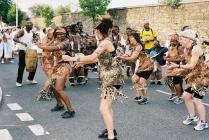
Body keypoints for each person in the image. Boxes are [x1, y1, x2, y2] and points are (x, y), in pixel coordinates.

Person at [62, 16, 126, 140]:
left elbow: (92, 57)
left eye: (96, 32)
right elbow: (97, 58)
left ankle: (112, 137)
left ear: (101, 32)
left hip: (112, 77)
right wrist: (82, 63)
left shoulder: (106, 42)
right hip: (110, 76)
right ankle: (111, 130)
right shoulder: (104, 42)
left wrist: (73, 59)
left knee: (103, 108)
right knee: (108, 107)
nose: (95, 34)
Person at [169, 29, 209, 131]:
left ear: (188, 39)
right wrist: (171, 62)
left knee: (197, 99)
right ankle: (192, 117)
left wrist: (177, 66)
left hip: (203, 77)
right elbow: (184, 60)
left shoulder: (196, 49)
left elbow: (191, 65)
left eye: (181, 39)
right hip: (194, 76)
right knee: (186, 96)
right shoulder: (186, 49)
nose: (180, 41)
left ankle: (203, 122)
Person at [37, 26, 75, 119]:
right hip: (56, 66)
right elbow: (49, 48)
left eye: (62, 33)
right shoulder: (55, 41)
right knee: (53, 87)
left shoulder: (66, 42)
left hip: (64, 66)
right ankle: (59, 105)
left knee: (59, 88)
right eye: (57, 33)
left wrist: (41, 46)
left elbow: (54, 48)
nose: (60, 35)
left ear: (66, 34)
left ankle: (70, 110)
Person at [117, 32, 154, 104]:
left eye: (132, 38)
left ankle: (145, 98)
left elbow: (132, 58)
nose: (130, 39)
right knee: (134, 78)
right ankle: (138, 96)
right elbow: (132, 58)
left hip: (148, 65)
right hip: (141, 65)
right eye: (129, 38)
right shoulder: (134, 47)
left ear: (136, 38)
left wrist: (121, 57)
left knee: (141, 81)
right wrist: (122, 56)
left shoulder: (139, 46)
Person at [13, 21, 38, 87]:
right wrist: (22, 43)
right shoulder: (22, 31)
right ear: (26, 25)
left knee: (34, 64)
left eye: (32, 25)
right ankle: (18, 81)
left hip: (30, 51)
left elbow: (35, 38)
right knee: (22, 66)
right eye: (30, 25)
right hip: (22, 51)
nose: (31, 26)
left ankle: (30, 79)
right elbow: (14, 38)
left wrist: (35, 39)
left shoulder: (32, 32)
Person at [164, 34, 184, 104]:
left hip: (179, 66)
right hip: (171, 66)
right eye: (171, 41)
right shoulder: (170, 47)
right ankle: (174, 93)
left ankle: (179, 97)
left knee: (176, 82)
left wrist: (170, 59)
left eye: (174, 41)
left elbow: (181, 58)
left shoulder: (180, 48)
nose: (172, 42)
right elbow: (169, 56)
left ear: (177, 41)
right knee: (166, 78)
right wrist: (166, 58)